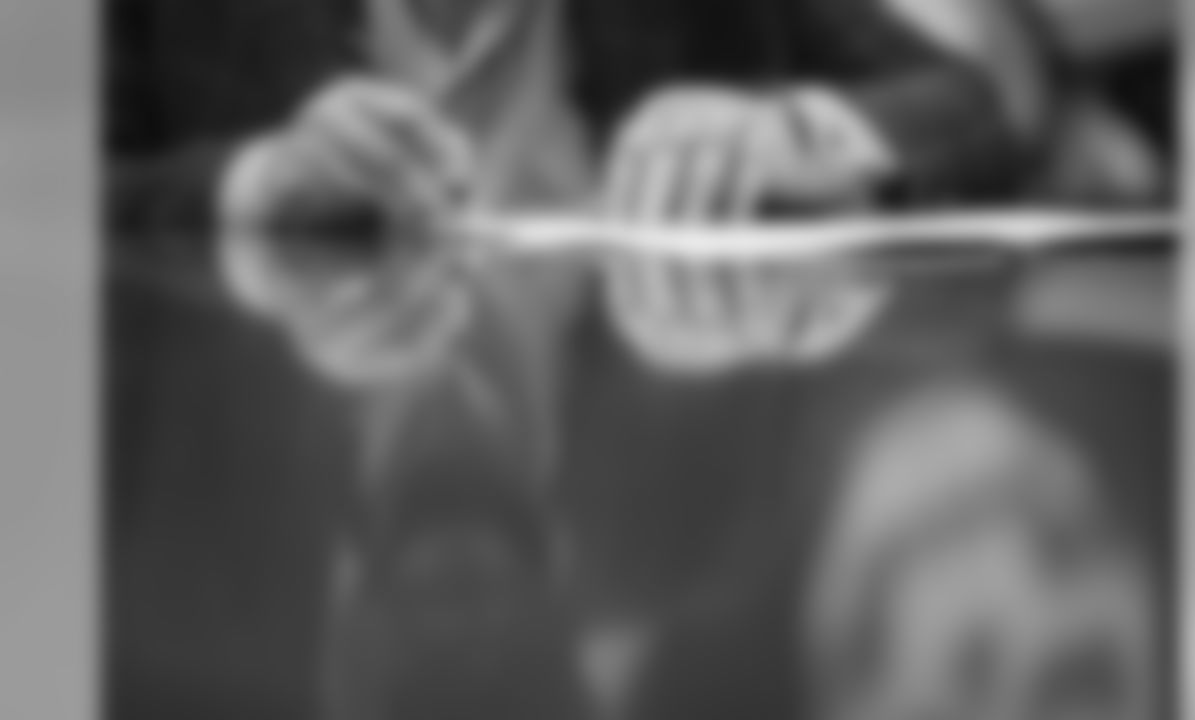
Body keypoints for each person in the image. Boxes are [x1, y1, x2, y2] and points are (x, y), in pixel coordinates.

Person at [106, 0, 1081, 719]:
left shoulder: (709, 533)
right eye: (491, 674)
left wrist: (795, 137)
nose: (461, 626)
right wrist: (243, 184)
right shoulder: (702, 536)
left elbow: (966, 110)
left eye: (441, 672)